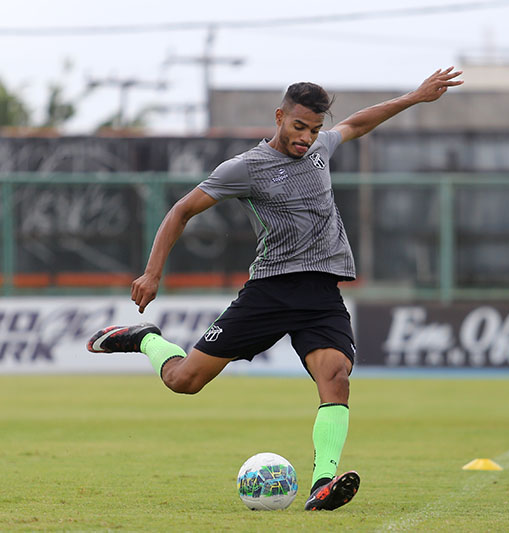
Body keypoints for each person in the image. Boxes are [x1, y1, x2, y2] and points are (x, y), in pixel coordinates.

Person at [87, 67, 463, 511]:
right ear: (279, 116)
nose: (307, 137)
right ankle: (145, 339)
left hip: (321, 296)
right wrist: (152, 273)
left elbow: (358, 122)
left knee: (336, 377)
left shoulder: (320, 148)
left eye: (315, 129)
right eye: (299, 126)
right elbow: (181, 210)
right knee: (183, 381)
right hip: (270, 292)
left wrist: (416, 96)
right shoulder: (246, 168)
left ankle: (324, 482)